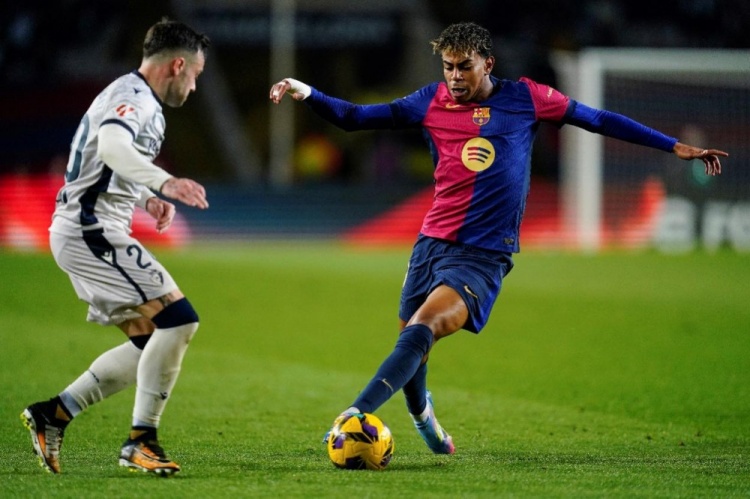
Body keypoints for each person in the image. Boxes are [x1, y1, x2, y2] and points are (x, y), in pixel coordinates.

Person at [269, 22, 728, 456]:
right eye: (448, 67)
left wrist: (672, 145)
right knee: (410, 340)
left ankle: (355, 413)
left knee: (422, 328)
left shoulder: (528, 98)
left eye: (464, 66)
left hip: (484, 254)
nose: (454, 77)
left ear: (487, 64)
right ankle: (423, 416)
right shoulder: (430, 101)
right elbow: (355, 118)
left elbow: (598, 119)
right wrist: (305, 91)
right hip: (430, 242)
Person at [20, 18, 210, 475]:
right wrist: (165, 182)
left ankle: (54, 414)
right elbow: (109, 147)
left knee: (150, 341)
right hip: (90, 229)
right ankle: (141, 442)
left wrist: (146, 198)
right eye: (195, 75)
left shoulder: (130, 94)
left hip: (90, 228)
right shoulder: (134, 98)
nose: (194, 86)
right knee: (180, 320)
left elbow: (101, 162)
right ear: (178, 65)